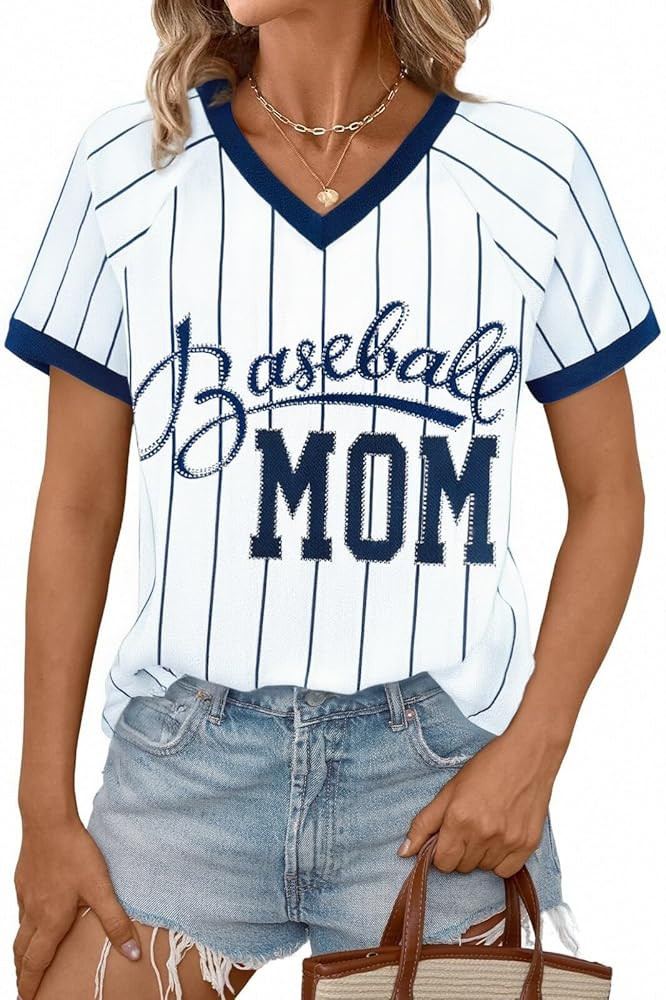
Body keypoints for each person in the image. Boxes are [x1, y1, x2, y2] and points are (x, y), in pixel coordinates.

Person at [6, 1, 660, 998]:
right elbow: (75, 505)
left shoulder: (531, 175)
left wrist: (536, 748)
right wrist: (41, 807)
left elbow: (612, 494)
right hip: (187, 766)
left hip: (435, 777)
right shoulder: (129, 167)